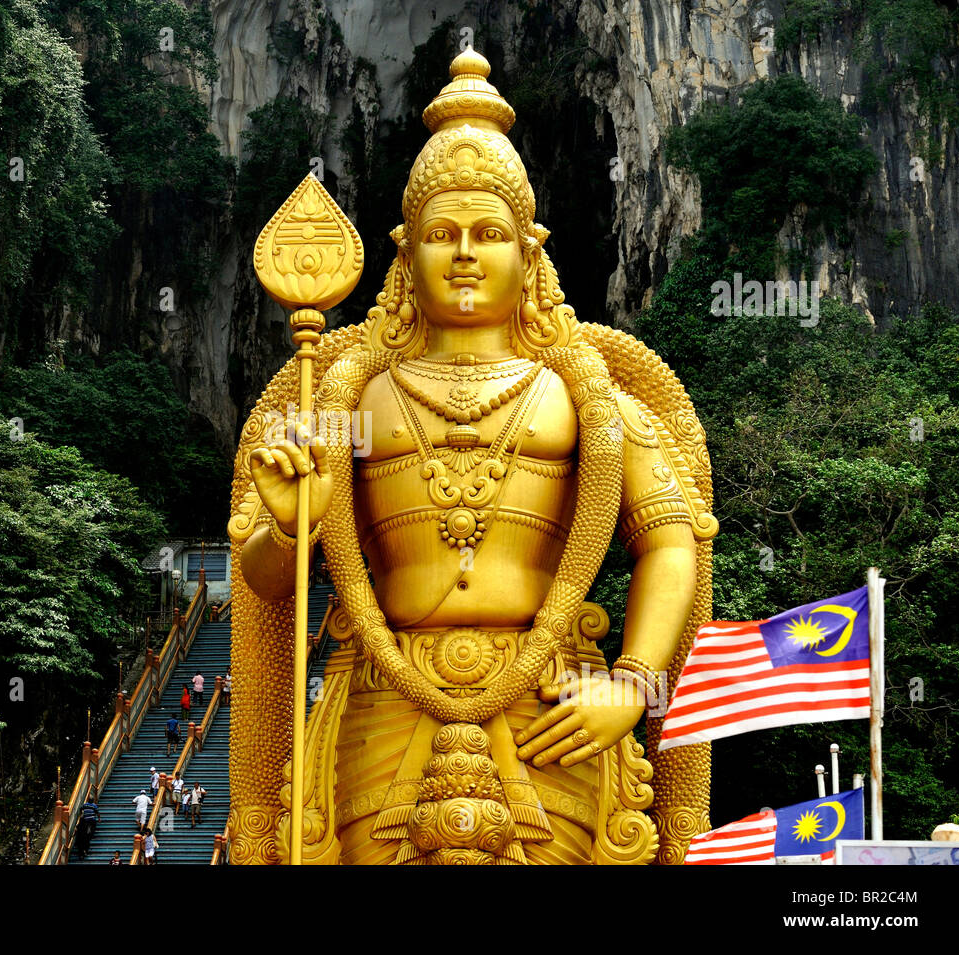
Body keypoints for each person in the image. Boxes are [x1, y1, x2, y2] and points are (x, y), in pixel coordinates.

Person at [228, 50, 714, 865]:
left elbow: (671, 541)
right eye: (440, 234)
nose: (463, 253)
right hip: (382, 704)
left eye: (488, 234)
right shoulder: (348, 400)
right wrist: (285, 524)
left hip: (554, 702)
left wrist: (632, 684)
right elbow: (268, 584)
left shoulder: (589, 400)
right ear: (404, 252)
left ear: (530, 251)